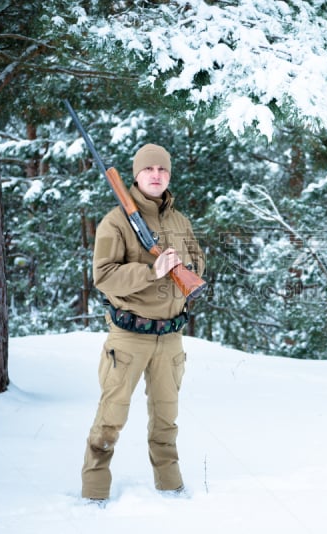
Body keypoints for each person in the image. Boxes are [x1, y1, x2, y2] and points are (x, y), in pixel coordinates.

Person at [81, 143, 205, 503]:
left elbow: (198, 262)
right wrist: (152, 271)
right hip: (129, 337)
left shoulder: (180, 221)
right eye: (148, 169)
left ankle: (170, 489)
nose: (155, 175)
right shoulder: (116, 221)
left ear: (168, 175)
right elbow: (103, 276)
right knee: (110, 419)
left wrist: (186, 269)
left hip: (170, 339)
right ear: (136, 175)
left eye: (162, 170)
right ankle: (94, 493)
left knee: (166, 419)